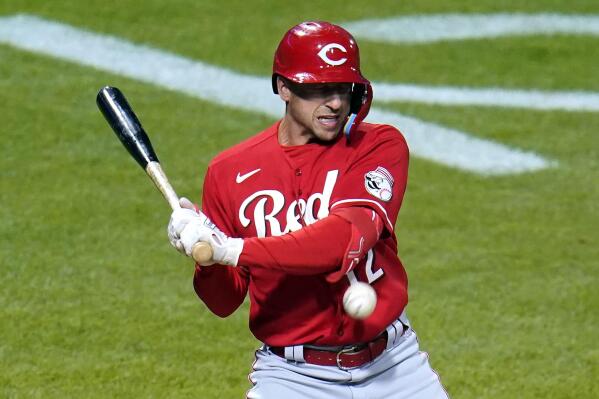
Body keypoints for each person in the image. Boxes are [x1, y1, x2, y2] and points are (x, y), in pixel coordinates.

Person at [167, 21, 449, 399]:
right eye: (318, 89)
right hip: (292, 378)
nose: (334, 102)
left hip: (395, 367)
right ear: (283, 87)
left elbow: (342, 240)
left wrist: (231, 248)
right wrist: (205, 254)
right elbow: (224, 301)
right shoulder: (229, 172)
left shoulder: (377, 146)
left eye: (342, 89)